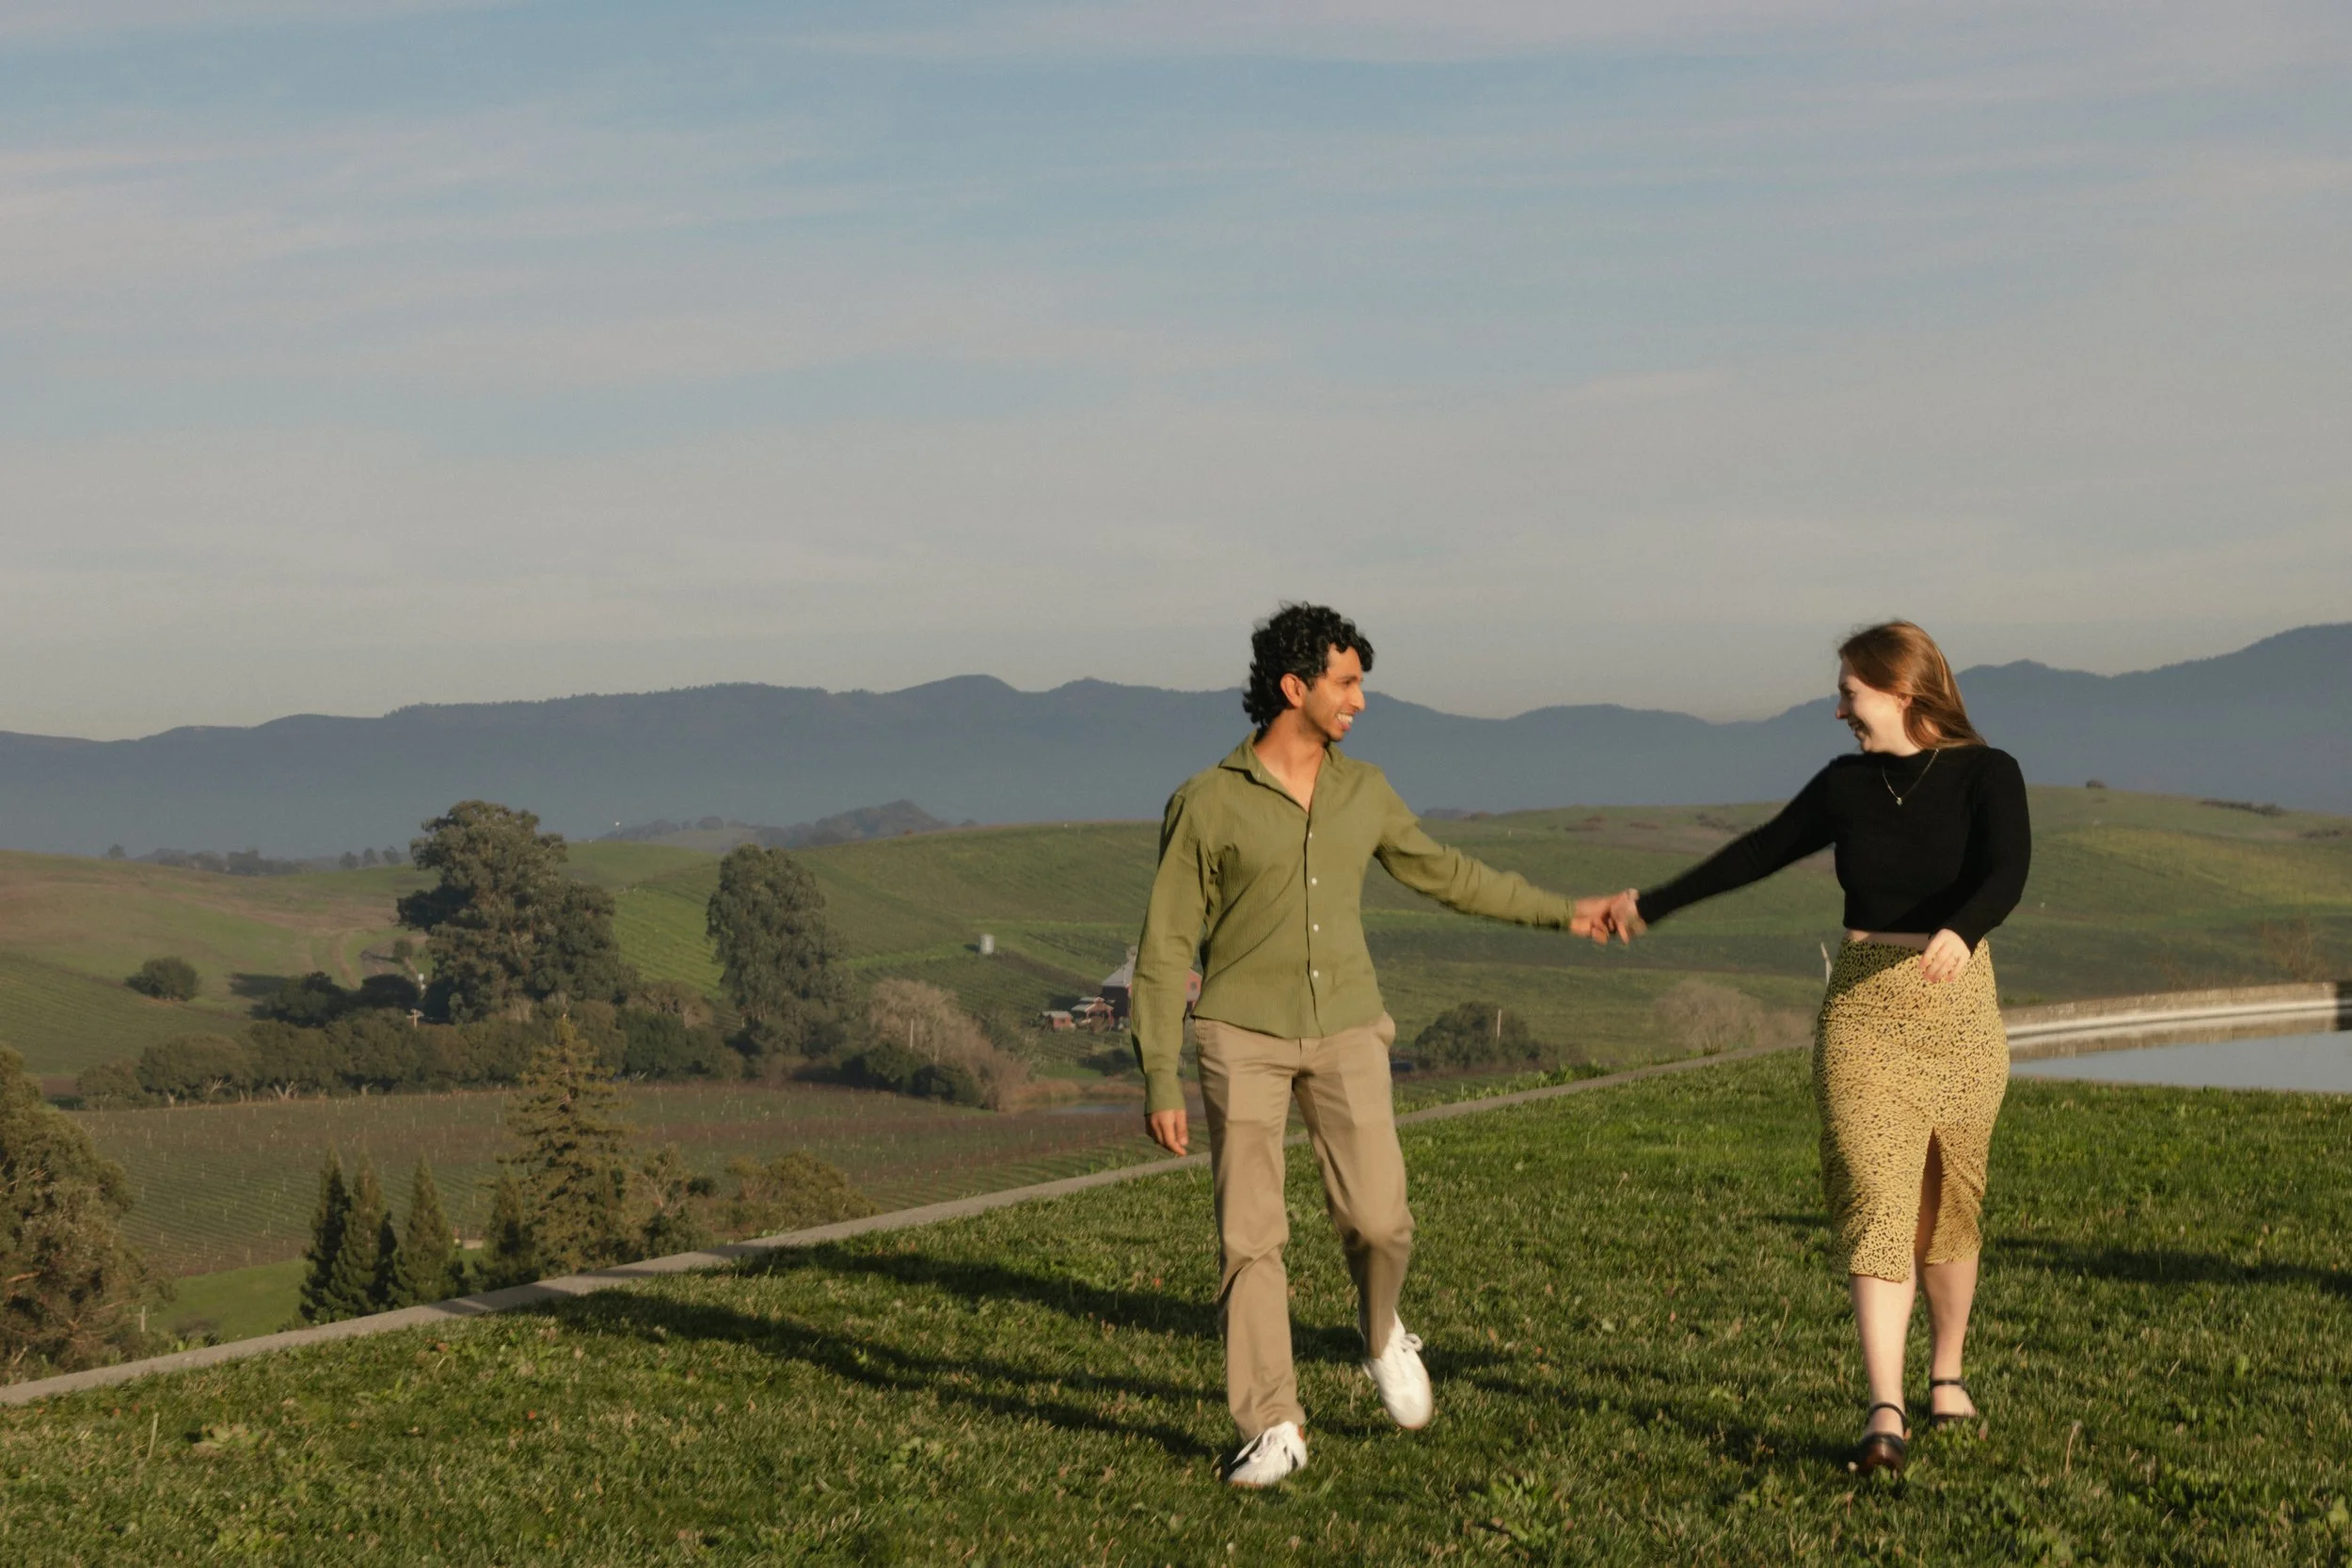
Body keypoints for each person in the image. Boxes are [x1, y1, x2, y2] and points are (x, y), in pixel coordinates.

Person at [1130, 603, 1622, 1488]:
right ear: (1296, 687)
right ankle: (1272, 1421)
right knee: (1250, 1236)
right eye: (1346, 681)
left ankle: (1381, 1330)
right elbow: (1166, 944)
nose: (1359, 699)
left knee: (1380, 1220)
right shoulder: (1205, 803)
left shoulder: (1367, 792)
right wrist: (1158, 1071)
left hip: (1351, 1027)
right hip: (1240, 1034)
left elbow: (1451, 875)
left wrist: (1565, 910)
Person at [1600, 620, 2029, 1475]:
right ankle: (1885, 1408)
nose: (1838, 709)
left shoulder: (1989, 772)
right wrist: (1652, 902)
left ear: (1902, 692)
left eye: (1850, 692)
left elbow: (2007, 869)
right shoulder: (1845, 785)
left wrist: (1962, 928)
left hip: (1957, 1010)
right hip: (1864, 1012)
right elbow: (1759, 851)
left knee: (1948, 1205)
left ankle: (1946, 1371)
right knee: (1877, 1198)